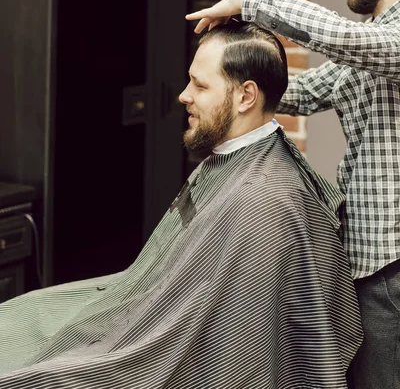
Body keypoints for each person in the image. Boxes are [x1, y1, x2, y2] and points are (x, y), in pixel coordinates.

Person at [0, 22, 362, 389]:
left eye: (201, 85)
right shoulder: (231, 161)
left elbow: (236, 352)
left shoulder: (263, 202)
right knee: (24, 315)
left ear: (246, 96)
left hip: (149, 337)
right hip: (134, 307)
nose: (183, 96)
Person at [186, 0, 400, 389]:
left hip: (393, 270)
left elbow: (350, 42)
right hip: (368, 266)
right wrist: (226, 88)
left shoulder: (378, 42)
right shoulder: (369, 44)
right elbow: (297, 93)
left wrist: (253, 2)